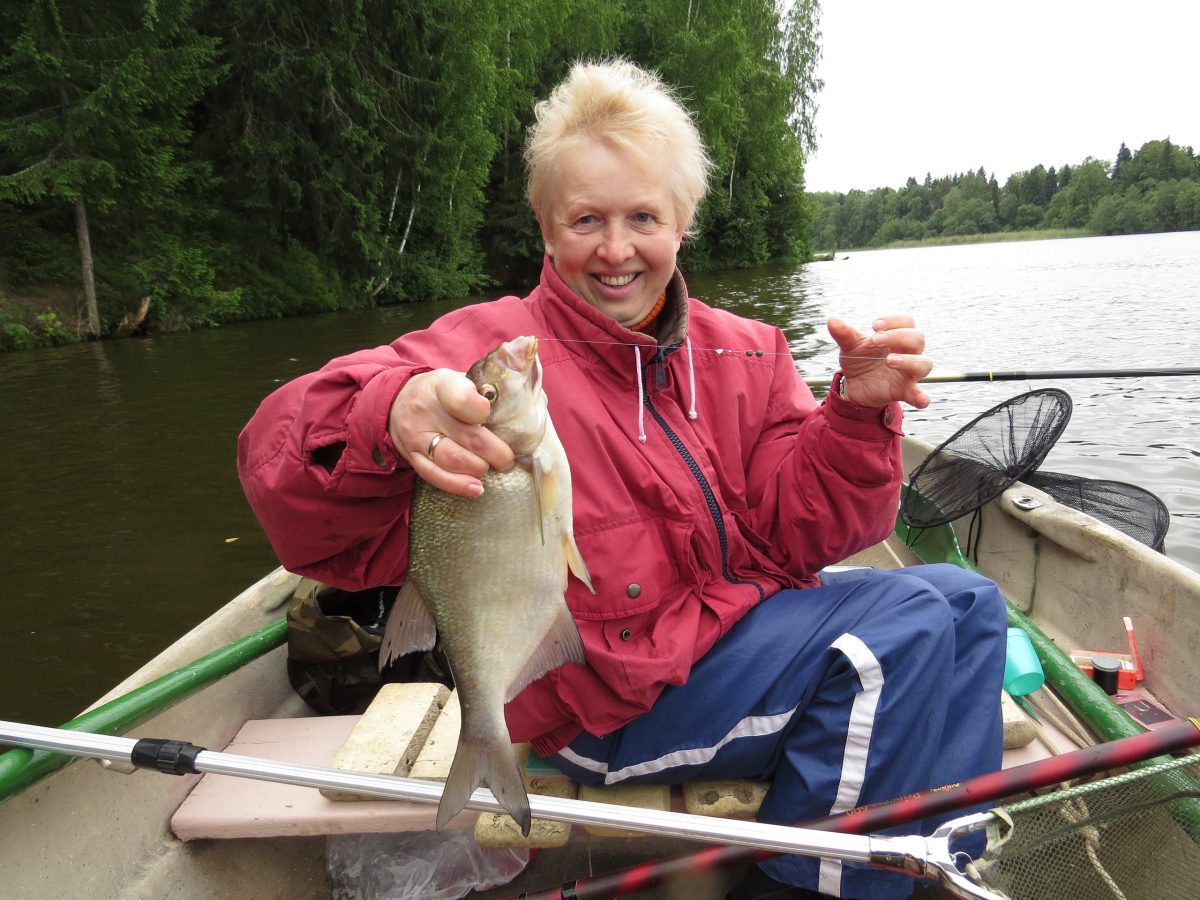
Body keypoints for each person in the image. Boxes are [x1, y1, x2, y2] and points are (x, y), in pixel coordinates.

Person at [238, 59, 1006, 899]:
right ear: (545, 226)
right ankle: (815, 886)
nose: (615, 249)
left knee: (970, 605)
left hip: (728, 647)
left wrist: (856, 417)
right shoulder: (486, 352)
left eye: (643, 215)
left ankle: (932, 857)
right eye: (585, 219)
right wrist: (386, 411)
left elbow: (811, 536)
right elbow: (282, 473)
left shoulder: (748, 349)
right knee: (898, 631)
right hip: (604, 707)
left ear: (683, 223)